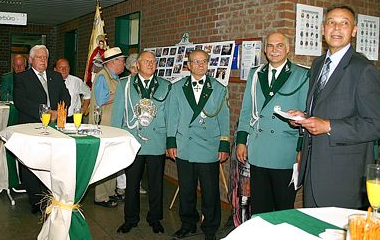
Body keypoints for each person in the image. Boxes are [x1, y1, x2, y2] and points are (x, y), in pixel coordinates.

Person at [289, 4, 380, 208]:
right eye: (331, 23)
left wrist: (329, 126)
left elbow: (379, 125)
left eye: (344, 23)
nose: (336, 28)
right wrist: (304, 117)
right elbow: (325, 108)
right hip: (313, 169)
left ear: (354, 30)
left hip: (343, 177)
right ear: (323, 28)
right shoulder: (318, 64)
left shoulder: (363, 69)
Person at [235, 32, 309, 215]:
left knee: (283, 209)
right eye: (270, 46)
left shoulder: (303, 75)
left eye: (279, 45)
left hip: (285, 153)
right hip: (258, 151)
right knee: (260, 208)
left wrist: (301, 149)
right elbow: (246, 110)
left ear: (288, 49)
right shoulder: (255, 73)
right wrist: (241, 140)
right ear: (265, 50)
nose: (274, 50)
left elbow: (308, 115)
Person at [166, 49, 230, 240]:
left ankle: (210, 228)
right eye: (195, 62)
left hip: (208, 147)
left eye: (203, 61)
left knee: (210, 191)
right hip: (184, 146)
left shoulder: (219, 88)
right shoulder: (177, 88)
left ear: (208, 64)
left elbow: (223, 118)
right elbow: (172, 116)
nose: (200, 65)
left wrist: (224, 144)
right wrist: (171, 141)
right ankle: (188, 224)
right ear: (188, 65)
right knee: (186, 190)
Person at [112, 51, 171, 234]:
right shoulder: (125, 84)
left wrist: (170, 141)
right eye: (146, 61)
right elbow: (117, 114)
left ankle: (155, 219)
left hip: (156, 140)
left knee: (156, 184)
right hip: (133, 140)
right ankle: (130, 219)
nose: (150, 64)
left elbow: (169, 115)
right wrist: (117, 140)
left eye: (153, 61)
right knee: (132, 183)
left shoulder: (165, 85)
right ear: (137, 64)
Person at [14, 45, 70, 214]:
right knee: (31, 163)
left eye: (45, 57)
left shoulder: (56, 76)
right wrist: (45, 112)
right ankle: (35, 201)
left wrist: (59, 111)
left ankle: (52, 196)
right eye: (39, 57)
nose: (43, 60)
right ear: (31, 60)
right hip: (31, 126)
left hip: (54, 127)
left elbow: (65, 96)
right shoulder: (22, 77)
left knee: (52, 162)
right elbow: (20, 101)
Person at [89, 47, 126, 208]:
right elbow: (102, 99)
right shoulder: (102, 77)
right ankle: (101, 196)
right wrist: (122, 92)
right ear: (113, 62)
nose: (124, 63)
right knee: (104, 162)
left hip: (113, 126)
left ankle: (110, 193)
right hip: (104, 126)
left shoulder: (115, 78)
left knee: (112, 161)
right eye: (122, 60)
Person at [125, 53, 148, 195]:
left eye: (136, 67)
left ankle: (136, 184)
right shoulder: (125, 83)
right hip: (130, 127)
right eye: (132, 68)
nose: (135, 71)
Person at [53, 58, 91, 122]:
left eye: (66, 67)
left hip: (73, 119)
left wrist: (83, 110)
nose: (64, 69)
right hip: (55, 119)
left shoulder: (76, 81)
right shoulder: (50, 81)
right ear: (55, 69)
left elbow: (88, 94)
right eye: (60, 67)